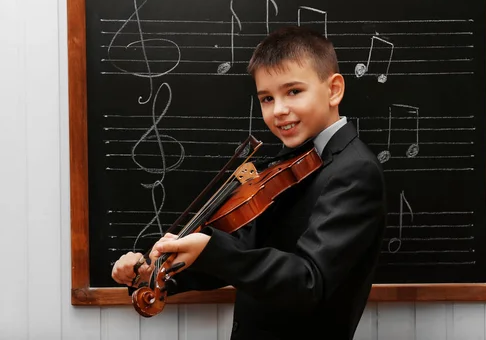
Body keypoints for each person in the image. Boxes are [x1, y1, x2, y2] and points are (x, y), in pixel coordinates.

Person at [112, 25, 387, 339]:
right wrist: (159, 274)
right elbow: (242, 254)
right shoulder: (287, 161)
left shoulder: (354, 171)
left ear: (334, 89)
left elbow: (309, 282)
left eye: (293, 91)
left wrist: (213, 250)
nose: (279, 110)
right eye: (267, 98)